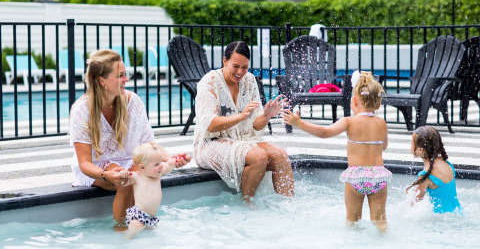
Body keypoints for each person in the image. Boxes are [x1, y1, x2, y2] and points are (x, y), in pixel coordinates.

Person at [69, 49, 190, 224]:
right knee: (126, 180)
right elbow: (85, 163)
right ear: (101, 80)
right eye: (120, 76)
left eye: (125, 74)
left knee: (142, 174)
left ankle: (140, 227)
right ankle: (121, 231)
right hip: (97, 167)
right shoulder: (81, 110)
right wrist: (106, 174)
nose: (126, 80)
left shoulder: (133, 101)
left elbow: (149, 143)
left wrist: (171, 157)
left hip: (128, 161)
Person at [282, 70, 391, 231]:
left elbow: (325, 133)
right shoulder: (382, 123)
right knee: (380, 221)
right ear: (378, 104)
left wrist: (300, 124)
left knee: (353, 221)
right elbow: (383, 146)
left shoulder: (349, 121)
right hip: (378, 176)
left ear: (354, 101)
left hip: (356, 177)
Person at [193, 41, 294, 202]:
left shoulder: (250, 80)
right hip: (210, 143)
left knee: (280, 155)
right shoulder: (209, 82)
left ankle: (289, 207)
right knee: (258, 156)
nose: (240, 72)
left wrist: (267, 115)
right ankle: (247, 206)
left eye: (245, 67)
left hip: (243, 139)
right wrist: (241, 116)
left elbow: (256, 125)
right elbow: (209, 125)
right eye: (235, 66)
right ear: (224, 61)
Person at [119, 142, 182, 238]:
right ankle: (125, 241)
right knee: (134, 227)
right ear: (142, 167)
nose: (161, 166)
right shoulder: (136, 177)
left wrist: (177, 161)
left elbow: (169, 165)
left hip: (151, 217)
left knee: (149, 237)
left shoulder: (158, 174)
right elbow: (122, 182)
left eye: (161, 162)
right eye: (156, 164)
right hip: (138, 215)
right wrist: (123, 174)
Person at [406, 126, 462, 214]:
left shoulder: (425, 175)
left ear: (420, 150)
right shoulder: (446, 163)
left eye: (411, 143)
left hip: (442, 220)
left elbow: (415, 203)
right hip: (459, 212)